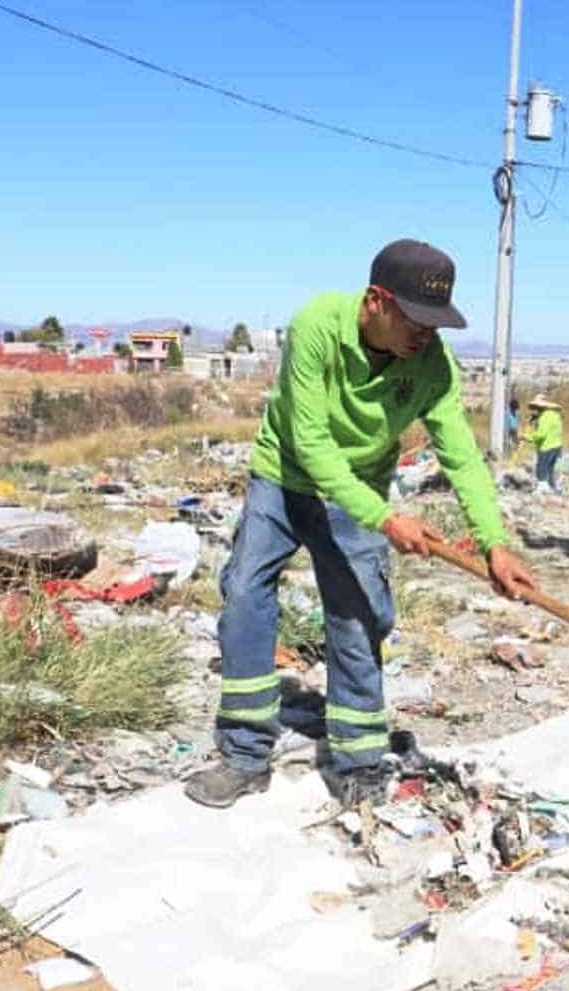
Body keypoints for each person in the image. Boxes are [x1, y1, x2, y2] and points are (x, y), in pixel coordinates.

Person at [188, 238, 539, 808]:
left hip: (361, 489)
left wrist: (494, 543)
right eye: (415, 320)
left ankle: (357, 762)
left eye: (436, 323)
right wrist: (386, 518)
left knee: (357, 617)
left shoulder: (432, 363)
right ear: (376, 301)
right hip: (283, 477)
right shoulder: (317, 326)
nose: (426, 335)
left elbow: (461, 455)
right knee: (246, 598)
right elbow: (310, 440)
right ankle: (244, 756)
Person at [526, 395, 563, 493]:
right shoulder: (555, 415)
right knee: (551, 469)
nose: (533, 410)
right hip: (557, 445)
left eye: (534, 408)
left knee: (541, 468)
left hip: (547, 446)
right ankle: (552, 487)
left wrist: (528, 437)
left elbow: (541, 434)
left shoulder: (544, 417)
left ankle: (542, 488)